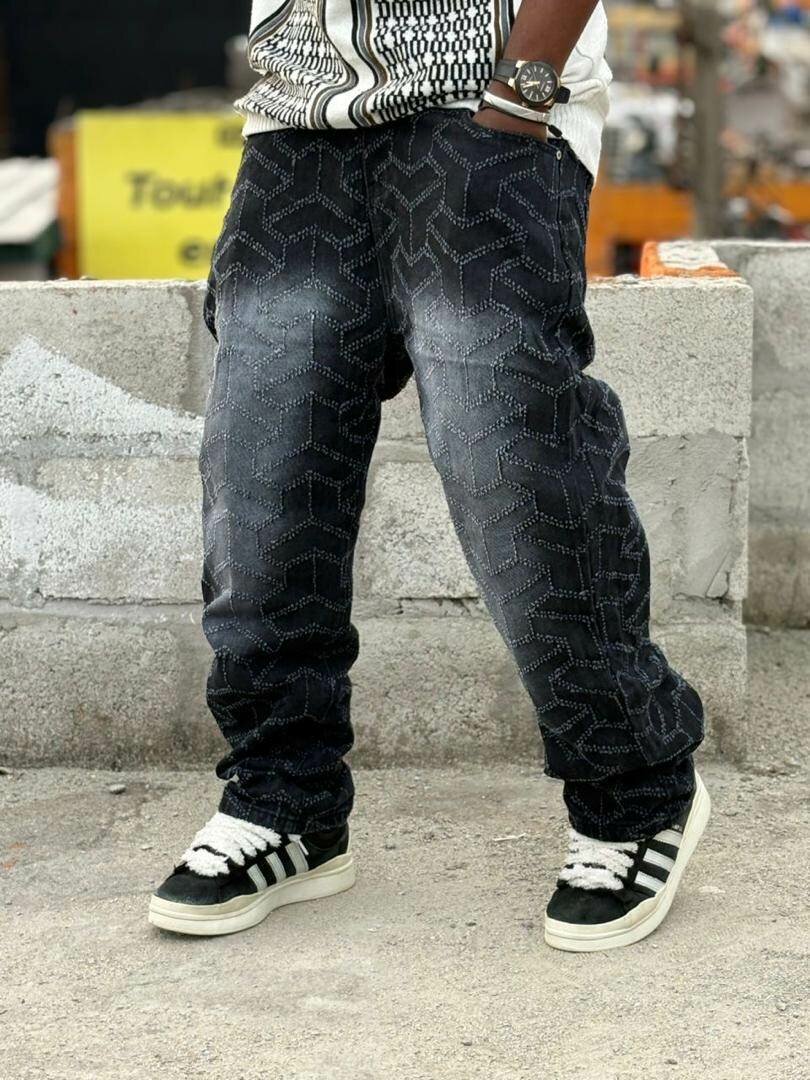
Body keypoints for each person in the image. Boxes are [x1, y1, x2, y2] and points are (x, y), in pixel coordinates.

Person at [148, 0, 710, 951]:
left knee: (507, 453)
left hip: (486, 102)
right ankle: (286, 799)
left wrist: (520, 95)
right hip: (297, 117)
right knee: (260, 465)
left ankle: (635, 791)